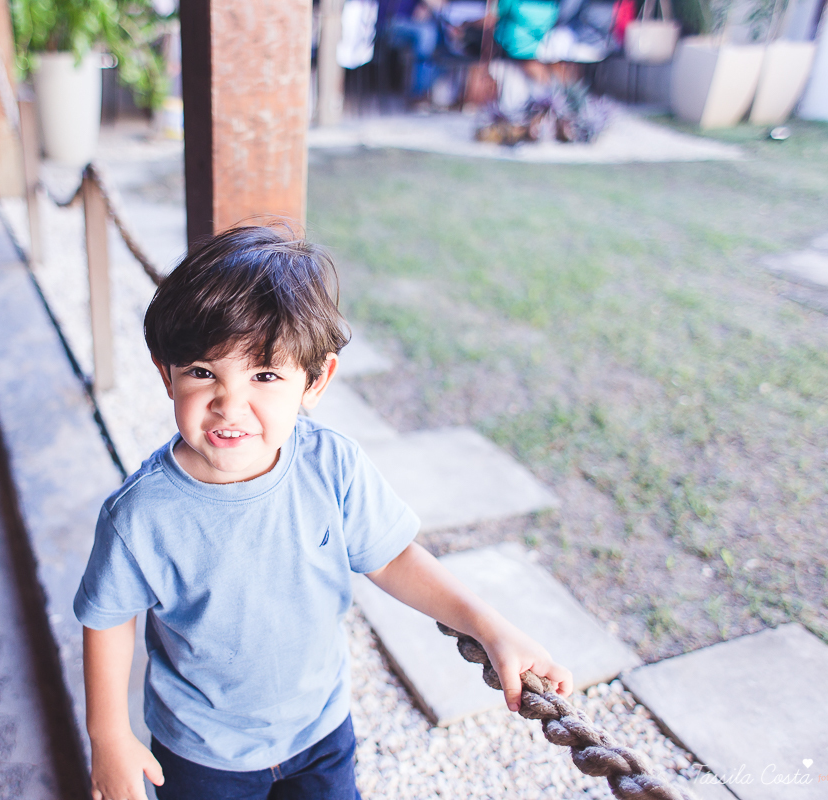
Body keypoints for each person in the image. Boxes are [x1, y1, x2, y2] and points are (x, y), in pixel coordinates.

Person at [74, 225, 573, 800]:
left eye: (265, 375)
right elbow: (108, 617)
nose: (230, 404)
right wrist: (108, 734)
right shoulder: (141, 515)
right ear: (167, 375)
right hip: (202, 751)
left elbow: (392, 558)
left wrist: (491, 627)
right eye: (203, 373)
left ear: (315, 381)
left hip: (321, 728)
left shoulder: (331, 466)